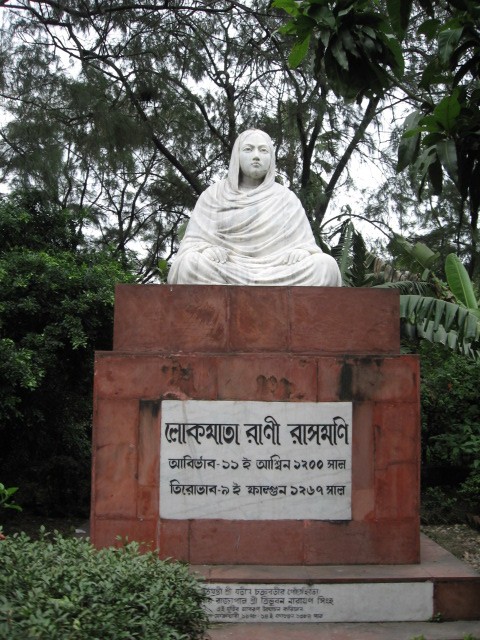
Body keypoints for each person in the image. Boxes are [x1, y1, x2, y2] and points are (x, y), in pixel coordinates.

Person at [167, 129, 342, 286]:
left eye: (263, 150)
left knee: (326, 265)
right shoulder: (213, 195)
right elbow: (192, 243)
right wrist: (206, 249)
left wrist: (302, 252)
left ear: (271, 158)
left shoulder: (286, 198)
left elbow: (306, 245)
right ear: (237, 155)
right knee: (189, 264)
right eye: (249, 149)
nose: (256, 156)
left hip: (277, 270)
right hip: (228, 268)